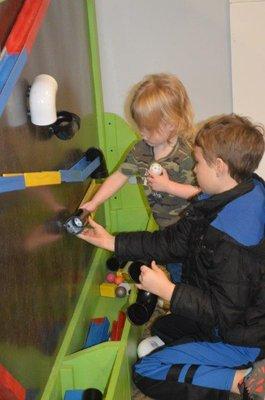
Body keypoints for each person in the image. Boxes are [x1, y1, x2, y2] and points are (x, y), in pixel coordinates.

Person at [78, 114, 265, 400]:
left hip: (241, 337)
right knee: (165, 327)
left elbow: (224, 311)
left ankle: (239, 381)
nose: (193, 170)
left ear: (219, 167)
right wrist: (111, 241)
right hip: (232, 319)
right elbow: (172, 243)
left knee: (147, 370)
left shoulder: (235, 242)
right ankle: (215, 359)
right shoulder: (234, 191)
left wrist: (166, 289)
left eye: (198, 162)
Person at [82, 73, 200, 282]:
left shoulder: (187, 155)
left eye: (148, 128)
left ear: (171, 123)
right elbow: (119, 176)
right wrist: (95, 202)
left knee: (187, 278)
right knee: (175, 273)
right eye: (140, 126)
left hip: (188, 235)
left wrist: (168, 186)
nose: (142, 133)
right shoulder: (141, 150)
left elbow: (201, 194)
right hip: (165, 233)